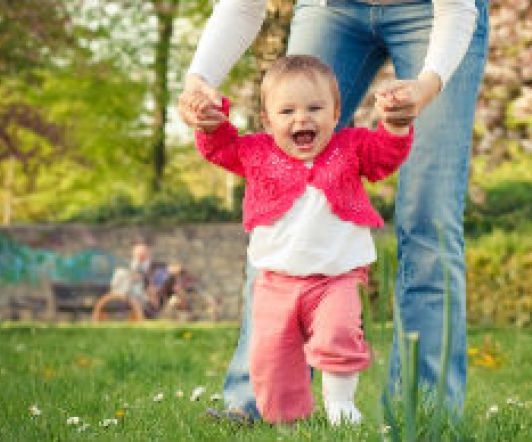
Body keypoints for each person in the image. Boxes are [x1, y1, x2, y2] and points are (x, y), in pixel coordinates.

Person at [179, 0, 489, 423]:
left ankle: (422, 409)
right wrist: (199, 82)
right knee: (279, 194)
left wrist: (426, 88)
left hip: (435, 15)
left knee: (429, 218)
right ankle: (255, 404)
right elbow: (242, 5)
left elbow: (456, 11)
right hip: (331, 9)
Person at [192, 55, 414, 424]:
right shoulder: (257, 152)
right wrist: (211, 123)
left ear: (335, 112)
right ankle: (287, 421)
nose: (302, 119)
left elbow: (383, 157)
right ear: (267, 120)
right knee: (270, 356)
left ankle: (341, 404)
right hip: (275, 282)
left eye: (315, 108)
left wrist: (395, 125)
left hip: (337, 277)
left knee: (339, 333)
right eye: (287, 111)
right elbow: (220, 148)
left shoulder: (351, 147)